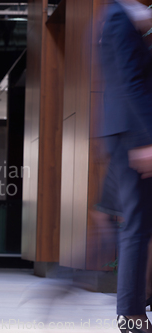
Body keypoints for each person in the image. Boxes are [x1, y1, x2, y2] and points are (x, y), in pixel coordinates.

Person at [100, 0, 152, 331]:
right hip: (132, 136)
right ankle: (131, 313)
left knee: (139, 223)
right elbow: (131, 83)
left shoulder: (125, 15)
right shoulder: (118, 16)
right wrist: (145, 140)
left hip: (129, 134)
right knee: (136, 226)